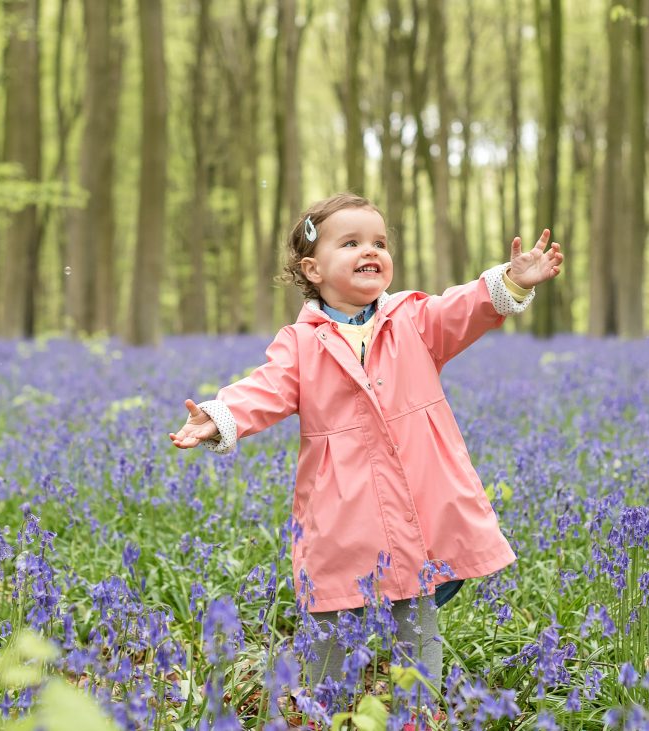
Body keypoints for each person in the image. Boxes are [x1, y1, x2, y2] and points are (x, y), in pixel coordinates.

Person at [169, 192, 563, 711]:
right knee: (330, 619)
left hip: (417, 506)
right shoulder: (301, 343)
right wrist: (219, 417)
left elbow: (463, 308)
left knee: (415, 618)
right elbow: (264, 389)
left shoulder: (414, 320)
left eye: (378, 242)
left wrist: (510, 281)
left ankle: (415, 715)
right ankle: (324, 711)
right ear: (313, 268)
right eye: (350, 242)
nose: (369, 251)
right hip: (342, 512)